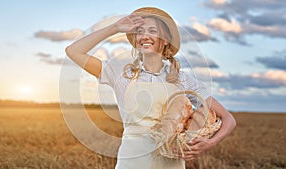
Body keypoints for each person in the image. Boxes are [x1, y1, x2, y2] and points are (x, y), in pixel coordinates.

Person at [66, 7, 236, 169]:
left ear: (165, 41)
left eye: (152, 31)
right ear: (135, 40)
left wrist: (210, 143)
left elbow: (228, 119)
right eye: (140, 31)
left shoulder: (183, 80)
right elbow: (73, 51)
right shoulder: (121, 74)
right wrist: (115, 28)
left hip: (171, 164)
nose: (145, 36)